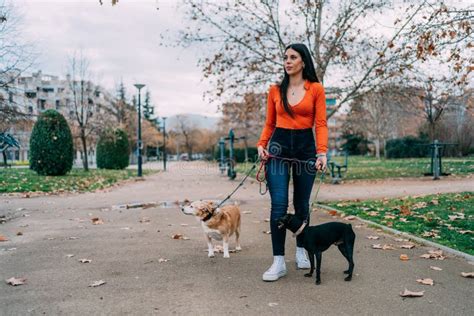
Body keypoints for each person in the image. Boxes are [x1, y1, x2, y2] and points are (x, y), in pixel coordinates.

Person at [256, 43, 328, 282]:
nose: (287, 61)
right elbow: (269, 123)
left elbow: (320, 124)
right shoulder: (275, 90)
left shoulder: (316, 88)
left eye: (292, 57)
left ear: (303, 61)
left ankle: (301, 250)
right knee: (279, 203)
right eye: (285, 57)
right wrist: (262, 144)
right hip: (278, 148)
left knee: (301, 203)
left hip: (306, 150)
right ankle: (278, 261)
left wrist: (322, 152)